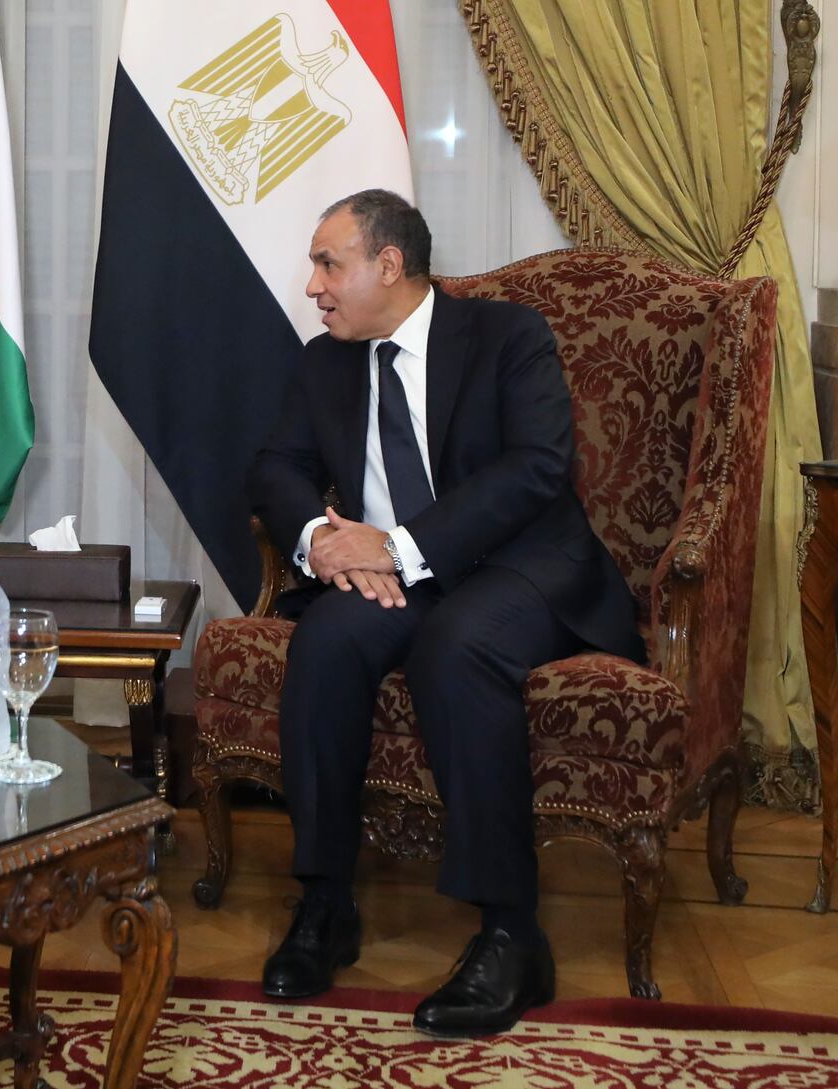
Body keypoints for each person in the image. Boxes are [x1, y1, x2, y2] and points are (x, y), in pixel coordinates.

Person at [248, 189, 643, 1037]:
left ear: (388, 265)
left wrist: (397, 547)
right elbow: (275, 465)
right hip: (402, 574)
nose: (312, 284)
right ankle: (326, 903)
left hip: (521, 565)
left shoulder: (507, 337)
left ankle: (511, 933)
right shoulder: (325, 362)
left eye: (328, 263)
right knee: (324, 639)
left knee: (457, 648)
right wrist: (321, 539)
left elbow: (537, 468)